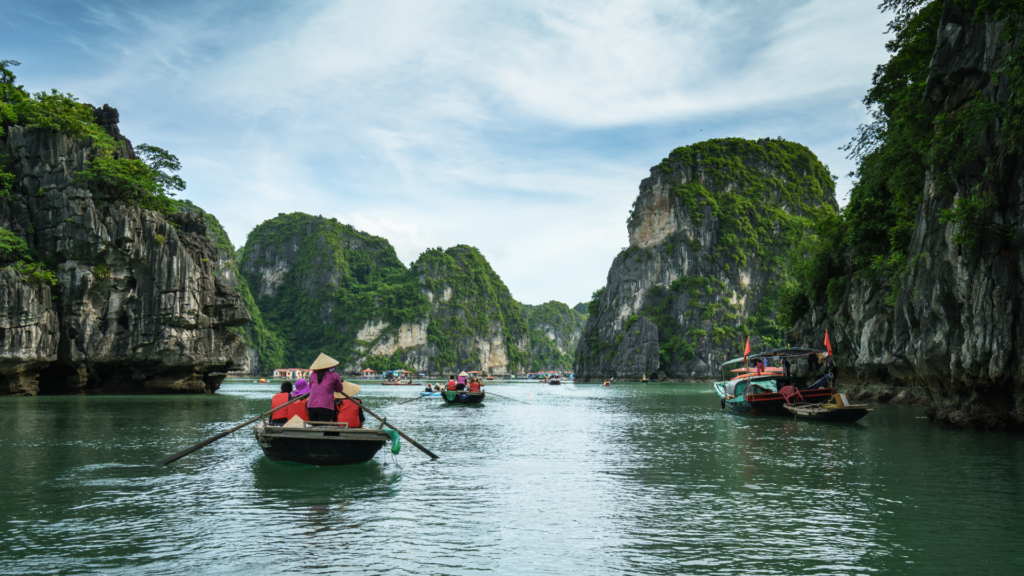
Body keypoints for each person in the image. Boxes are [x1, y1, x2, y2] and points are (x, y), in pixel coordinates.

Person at [306, 353, 347, 423]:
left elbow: (311, 387)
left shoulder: (312, 374)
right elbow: (339, 389)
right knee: (322, 428)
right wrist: (331, 388)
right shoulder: (334, 375)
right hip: (325, 406)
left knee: (314, 429)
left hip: (311, 406)